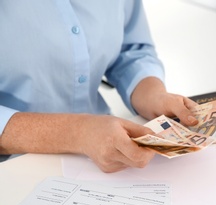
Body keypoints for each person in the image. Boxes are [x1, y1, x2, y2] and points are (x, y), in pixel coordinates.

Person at [0, 1, 198, 173]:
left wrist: (153, 94)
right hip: (13, 168)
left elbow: (130, 49)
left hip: (106, 152)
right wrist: (78, 133)